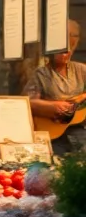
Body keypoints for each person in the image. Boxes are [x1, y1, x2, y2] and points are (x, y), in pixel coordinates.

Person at [26, 19, 86, 155]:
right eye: (62, 49)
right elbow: (28, 103)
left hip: (79, 133)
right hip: (53, 135)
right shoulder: (41, 73)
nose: (66, 52)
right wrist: (51, 107)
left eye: (69, 49)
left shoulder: (81, 70)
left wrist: (82, 97)